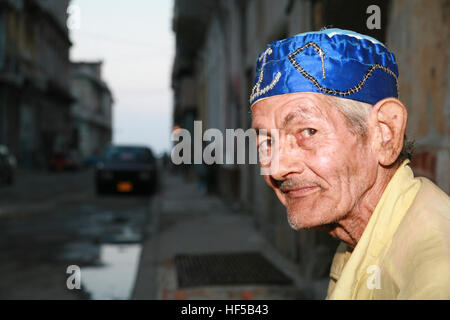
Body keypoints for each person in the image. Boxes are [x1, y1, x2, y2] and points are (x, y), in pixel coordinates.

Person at [250, 28, 450, 299]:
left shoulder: (435, 273)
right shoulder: (359, 236)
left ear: (384, 134)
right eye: (267, 142)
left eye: (307, 132)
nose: (276, 168)